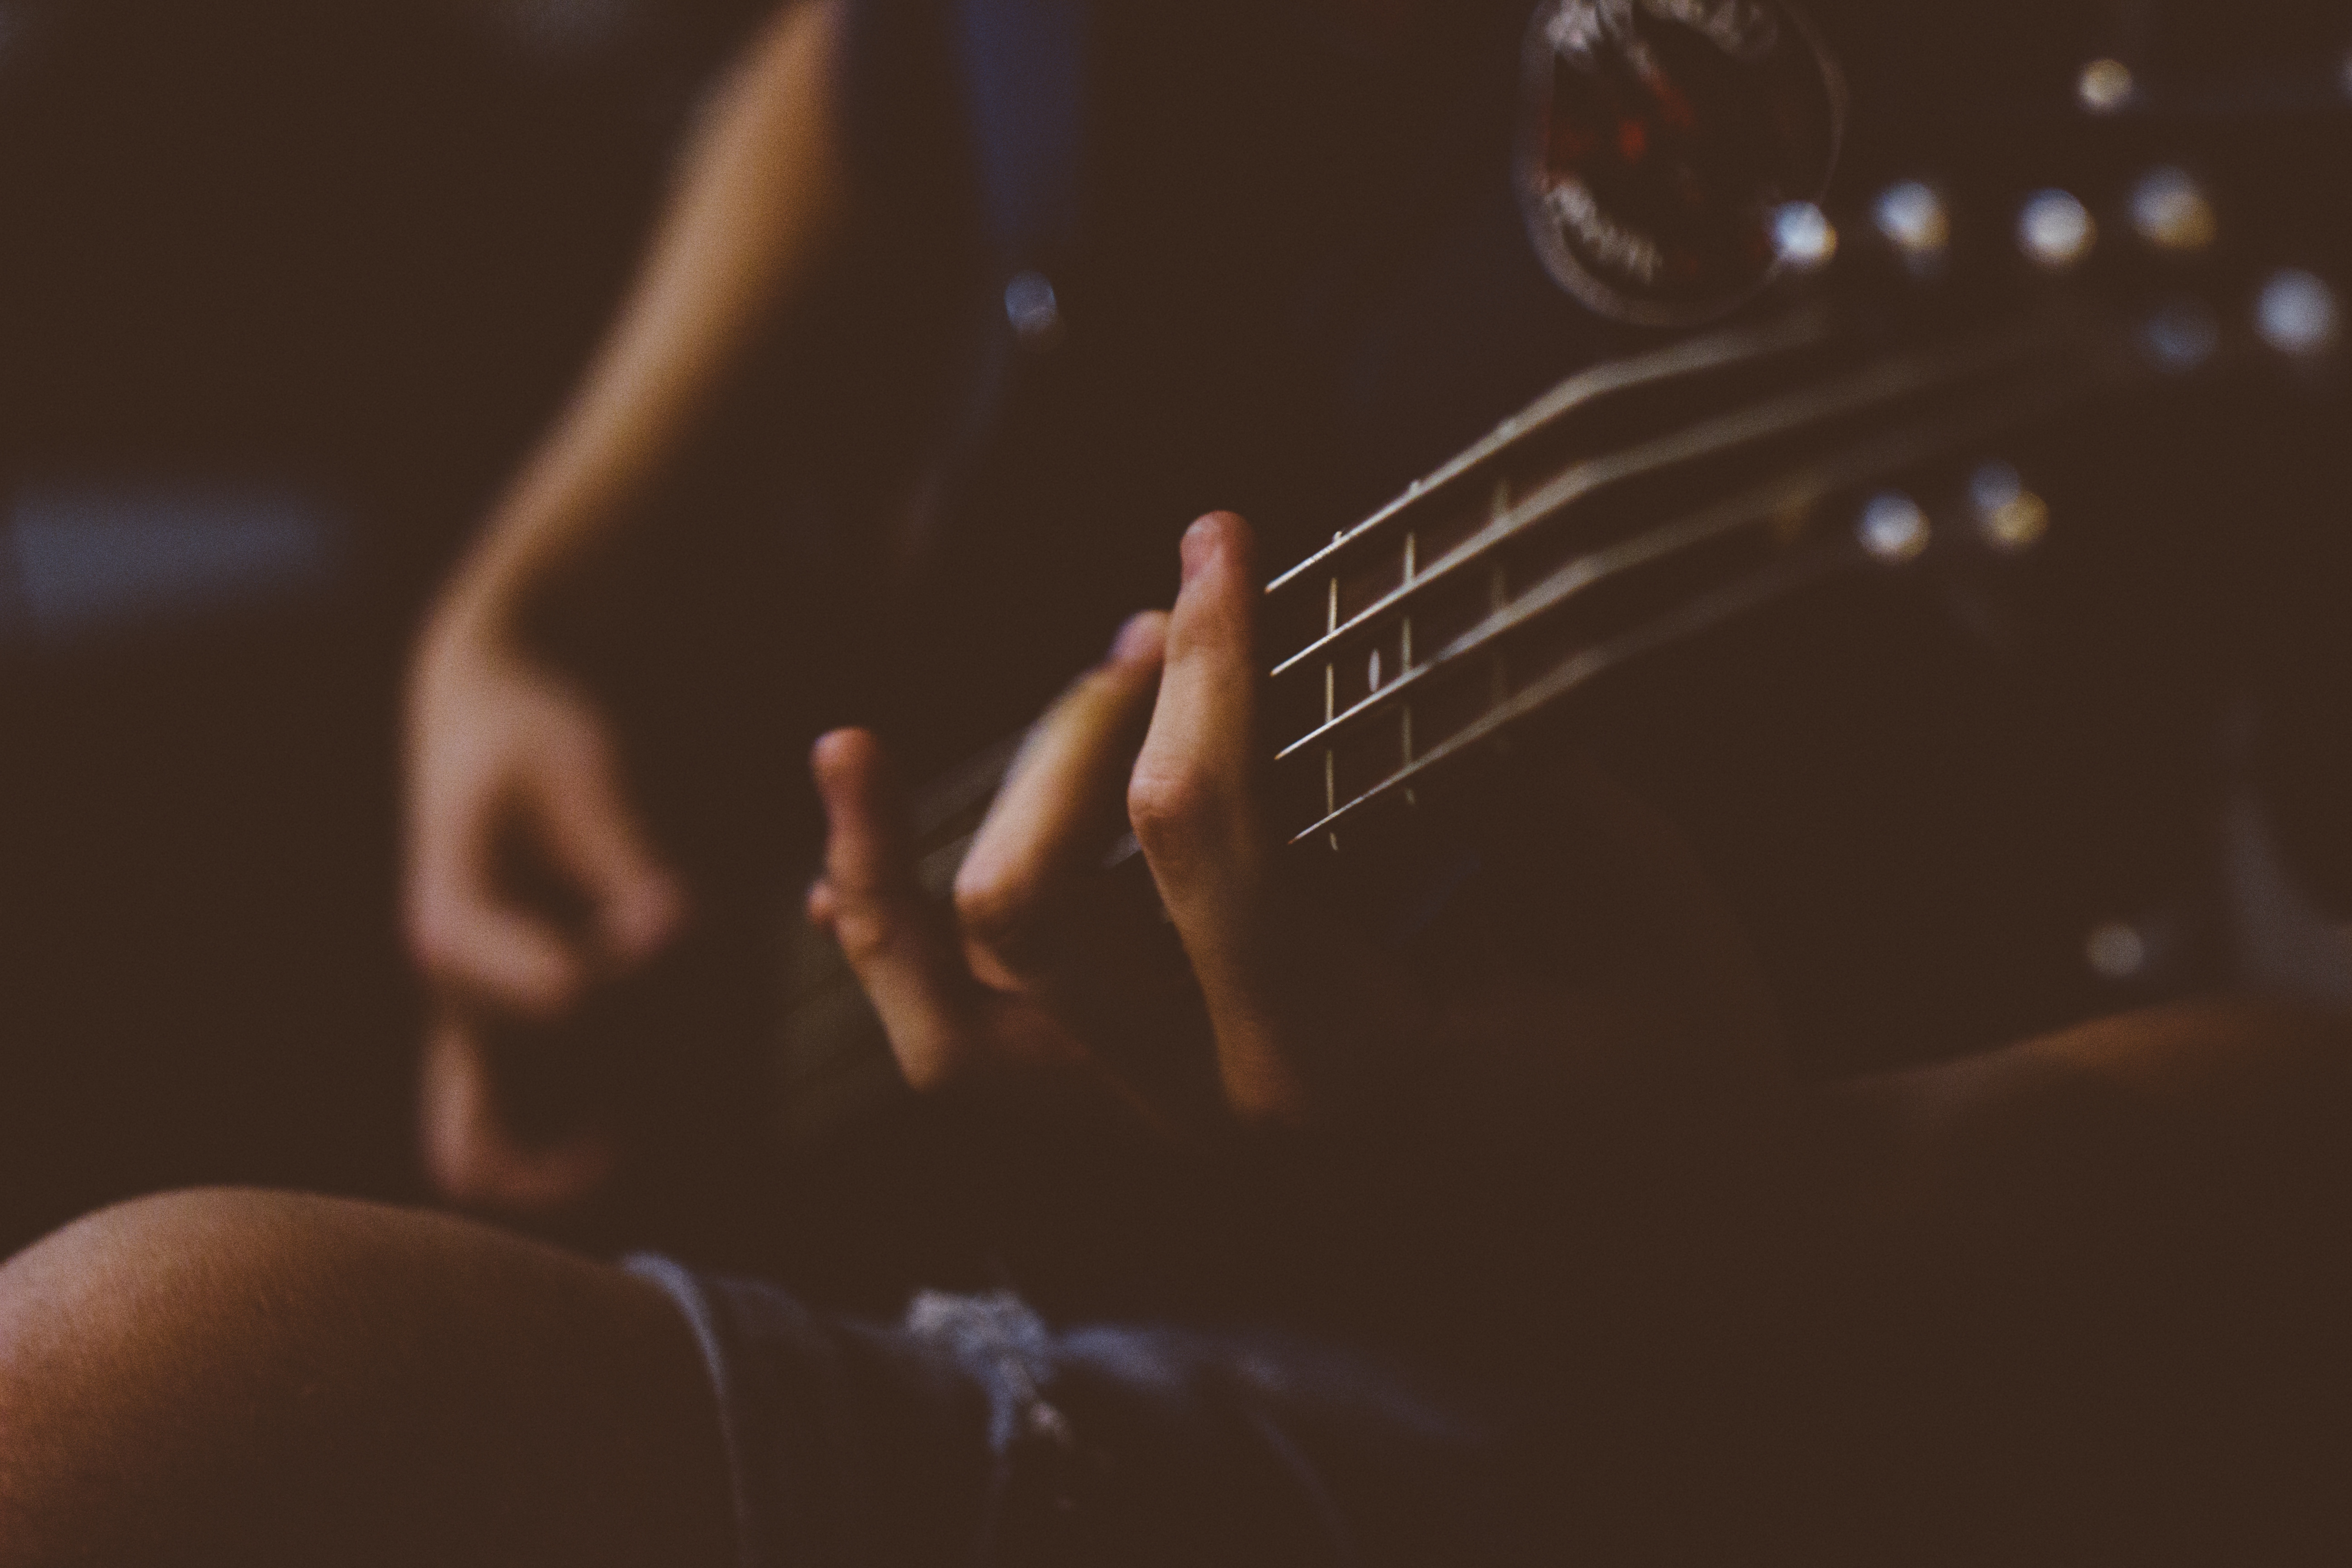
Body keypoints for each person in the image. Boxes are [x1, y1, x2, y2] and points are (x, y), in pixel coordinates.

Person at [7, 0, 2352, 1560]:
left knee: (135, 1404)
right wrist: (535, 598)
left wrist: (1824, 1209)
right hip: (836, 924)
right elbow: (913, 58)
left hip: (1745, 1325)